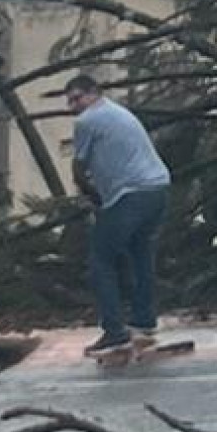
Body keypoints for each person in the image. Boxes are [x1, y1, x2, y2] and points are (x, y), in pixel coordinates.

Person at [64, 73, 171, 359]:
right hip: (158, 188)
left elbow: (79, 168)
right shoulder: (119, 112)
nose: (74, 106)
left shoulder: (87, 121)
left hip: (130, 194)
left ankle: (114, 332)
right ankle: (144, 322)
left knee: (101, 260)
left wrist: (93, 197)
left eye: (77, 98)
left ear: (93, 93)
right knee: (141, 253)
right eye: (70, 101)